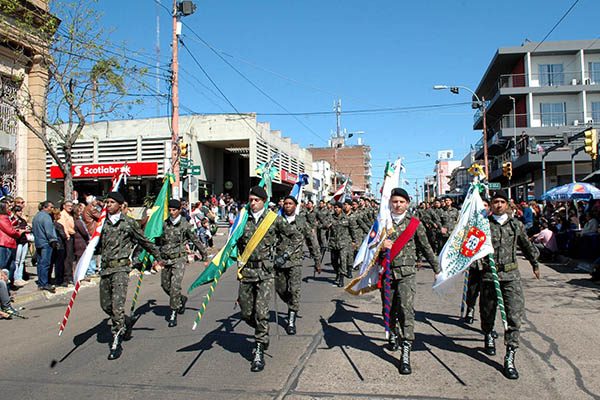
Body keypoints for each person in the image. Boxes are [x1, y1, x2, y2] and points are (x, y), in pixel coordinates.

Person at [479, 190, 540, 380]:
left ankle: (510, 355)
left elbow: (526, 246)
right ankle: (488, 333)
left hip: (511, 275)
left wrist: (534, 263)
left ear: (507, 205)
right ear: (491, 205)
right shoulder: (484, 225)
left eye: (501, 202)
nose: (498, 205)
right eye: (495, 202)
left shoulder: (516, 225)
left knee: (514, 314)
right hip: (490, 276)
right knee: (487, 311)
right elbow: (473, 248)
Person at [380, 188, 440, 375]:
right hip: (387, 273)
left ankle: (406, 348)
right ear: (391, 202)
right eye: (395, 201)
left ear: (407, 203)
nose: (397, 205)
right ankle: (392, 333)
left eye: (401, 202)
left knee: (406, 309)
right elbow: (370, 249)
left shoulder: (415, 224)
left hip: (406, 273)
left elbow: (426, 246)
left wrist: (437, 269)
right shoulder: (383, 223)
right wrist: (381, 246)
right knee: (388, 308)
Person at [98, 192, 163, 360]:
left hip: (120, 269)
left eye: (112, 202)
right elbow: (94, 245)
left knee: (117, 305)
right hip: (105, 269)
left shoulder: (128, 223)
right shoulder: (102, 223)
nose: (109, 205)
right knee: (105, 305)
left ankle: (116, 340)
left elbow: (144, 240)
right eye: (107, 202)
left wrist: (158, 256)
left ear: (121, 205)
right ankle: (125, 322)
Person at [237, 186, 295, 372]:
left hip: (265, 272)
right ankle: (261, 330)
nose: (252, 203)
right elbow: (234, 242)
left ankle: (259, 348)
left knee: (262, 311)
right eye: (250, 200)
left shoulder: (273, 219)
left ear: (263, 201)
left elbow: (296, 237)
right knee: (246, 313)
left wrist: (284, 256)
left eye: (256, 200)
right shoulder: (242, 219)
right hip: (246, 272)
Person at [156, 199, 207, 327]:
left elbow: (195, 240)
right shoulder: (165, 224)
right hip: (166, 259)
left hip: (179, 259)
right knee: (165, 285)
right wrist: (157, 258)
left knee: (175, 286)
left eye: (174, 210)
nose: (172, 212)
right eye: (170, 210)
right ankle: (181, 299)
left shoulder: (185, 225)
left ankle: (174, 312)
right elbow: (160, 241)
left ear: (179, 210)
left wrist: (204, 256)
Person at [275, 195, 321, 335]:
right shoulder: (277, 220)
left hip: (295, 261)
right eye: (286, 203)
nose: (287, 206)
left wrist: (317, 260)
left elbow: (311, 240)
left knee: (294, 290)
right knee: (281, 289)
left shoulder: (301, 221)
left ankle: (291, 319)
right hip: (279, 261)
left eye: (290, 203)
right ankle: (291, 303)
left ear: (295, 206)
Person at [329, 201, 358, 288]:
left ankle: (341, 278)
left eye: (338, 207)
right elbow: (321, 226)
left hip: (344, 243)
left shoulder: (347, 218)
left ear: (341, 209)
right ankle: (337, 272)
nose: (336, 209)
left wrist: (354, 241)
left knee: (342, 260)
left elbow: (352, 230)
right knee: (334, 261)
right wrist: (326, 226)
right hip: (333, 243)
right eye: (335, 207)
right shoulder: (331, 218)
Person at [32, 201, 58, 292]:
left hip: (38, 242)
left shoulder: (36, 216)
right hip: (46, 243)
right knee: (45, 264)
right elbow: (49, 231)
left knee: (40, 264)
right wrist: (53, 240)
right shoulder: (46, 217)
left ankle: (41, 282)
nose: (52, 209)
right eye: (51, 207)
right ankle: (44, 283)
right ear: (45, 207)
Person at [0, 201, 22, 288]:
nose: (10, 208)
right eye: (8, 206)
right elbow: (10, 230)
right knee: (4, 268)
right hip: (5, 244)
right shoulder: (3, 217)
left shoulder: (6, 217)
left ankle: (7, 288)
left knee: (11, 267)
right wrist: (18, 233)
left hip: (7, 244)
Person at [11, 206, 30, 287]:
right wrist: (20, 230)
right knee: (17, 260)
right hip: (17, 242)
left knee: (22, 260)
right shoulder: (12, 220)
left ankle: (20, 277)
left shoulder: (22, 220)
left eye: (21, 211)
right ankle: (16, 278)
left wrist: (26, 229)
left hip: (24, 241)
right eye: (18, 211)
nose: (20, 213)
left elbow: (26, 228)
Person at [58, 201, 75, 284]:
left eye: (71, 206)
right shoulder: (63, 214)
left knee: (70, 258)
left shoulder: (70, 214)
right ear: (64, 206)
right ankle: (67, 277)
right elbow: (63, 226)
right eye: (68, 206)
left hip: (72, 235)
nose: (70, 207)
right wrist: (67, 236)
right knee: (67, 258)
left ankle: (69, 276)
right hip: (67, 237)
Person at [51, 209, 68, 286]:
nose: (60, 216)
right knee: (59, 264)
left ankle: (51, 279)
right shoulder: (58, 225)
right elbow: (63, 235)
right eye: (58, 214)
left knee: (52, 264)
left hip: (53, 246)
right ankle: (59, 280)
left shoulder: (50, 224)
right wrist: (66, 237)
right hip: (60, 245)